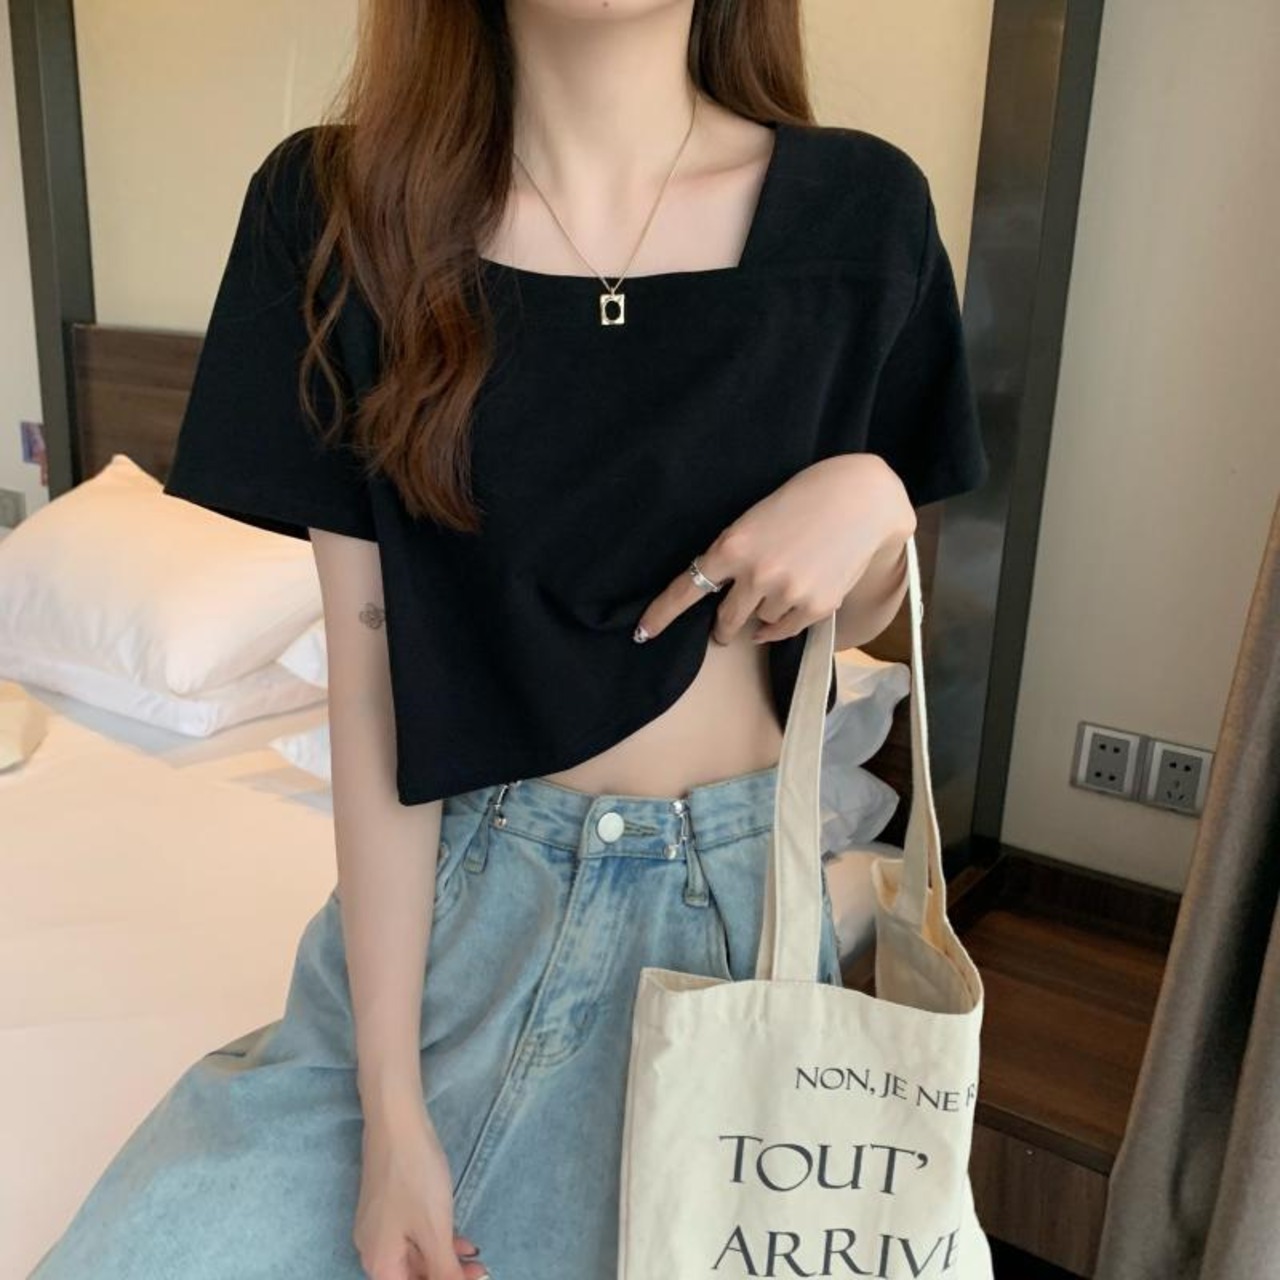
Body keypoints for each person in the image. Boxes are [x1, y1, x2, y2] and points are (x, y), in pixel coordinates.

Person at [29, 2, 988, 1278]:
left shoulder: (861, 211)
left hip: (721, 928)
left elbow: (845, 617)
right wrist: (391, 1106)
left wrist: (872, 497)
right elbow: (374, 689)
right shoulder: (336, 208)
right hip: (455, 902)